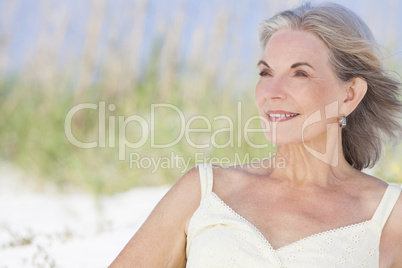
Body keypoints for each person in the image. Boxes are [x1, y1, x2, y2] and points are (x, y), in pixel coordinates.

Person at [109, 2, 402, 267]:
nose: (272, 93)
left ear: (350, 95)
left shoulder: (389, 215)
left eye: (300, 74)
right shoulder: (204, 191)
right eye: (265, 73)